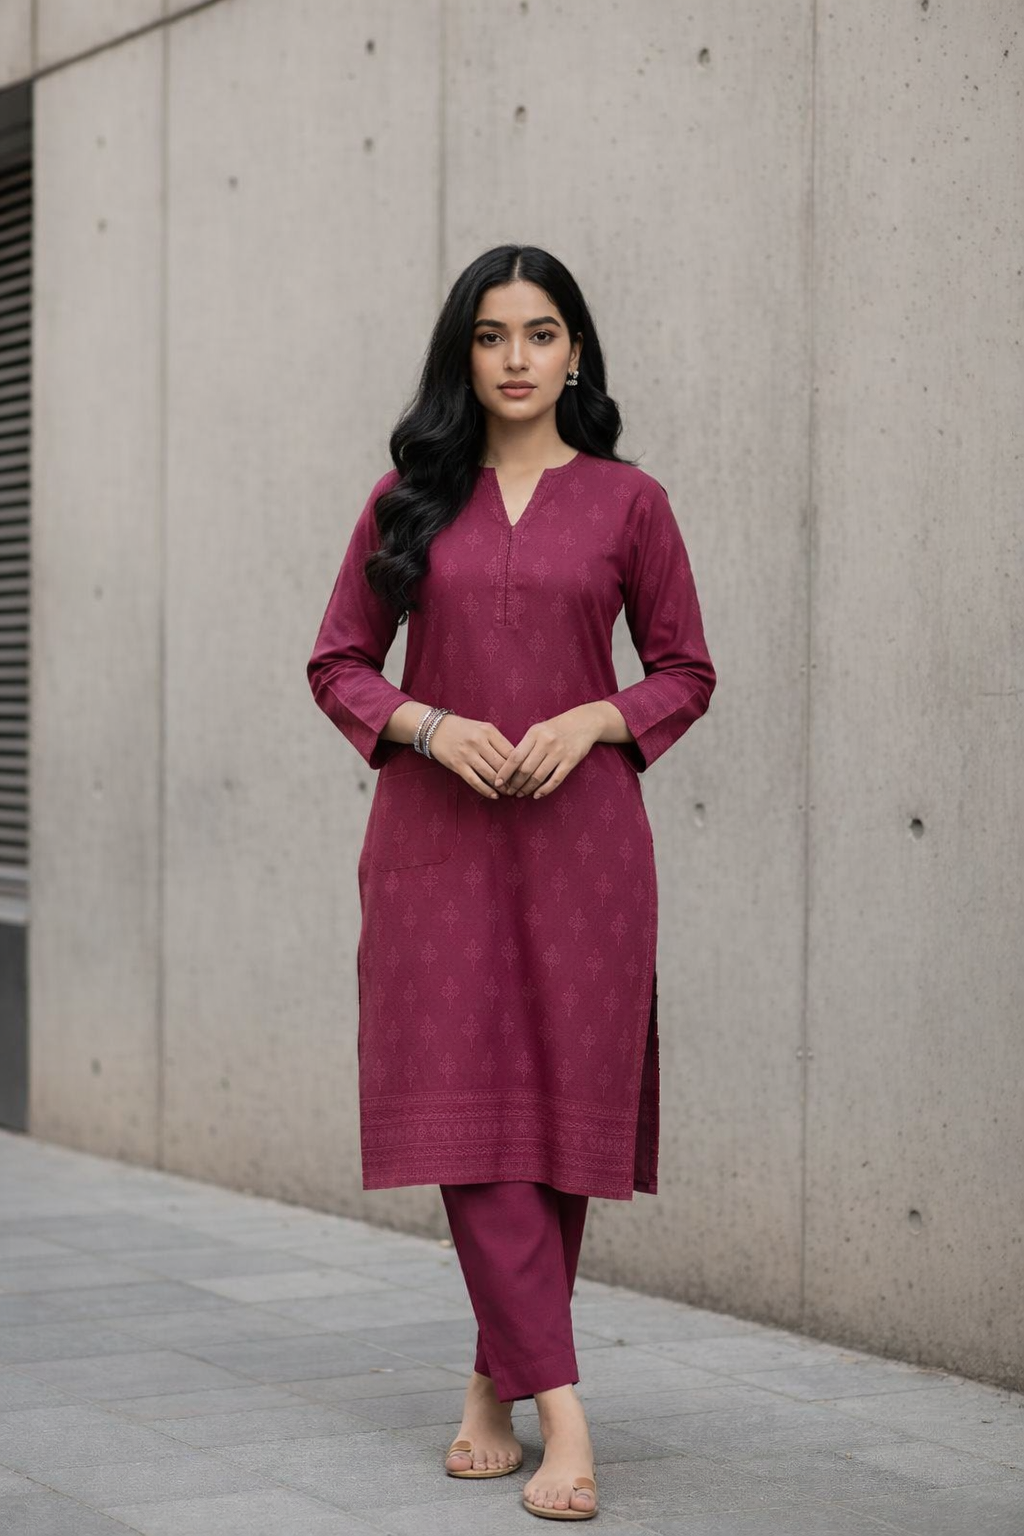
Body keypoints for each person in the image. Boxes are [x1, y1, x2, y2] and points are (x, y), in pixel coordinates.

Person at [307, 244, 716, 1520]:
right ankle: (568, 1416)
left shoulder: (629, 503)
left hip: (584, 850)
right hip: (433, 850)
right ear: (463, 356)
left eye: (541, 333)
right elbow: (337, 664)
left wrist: (594, 718)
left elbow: (684, 670)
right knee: (467, 1116)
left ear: (576, 351)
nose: (519, 358)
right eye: (492, 337)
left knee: (546, 1133)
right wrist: (429, 725)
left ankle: (493, 1392)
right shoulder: (405, 497)